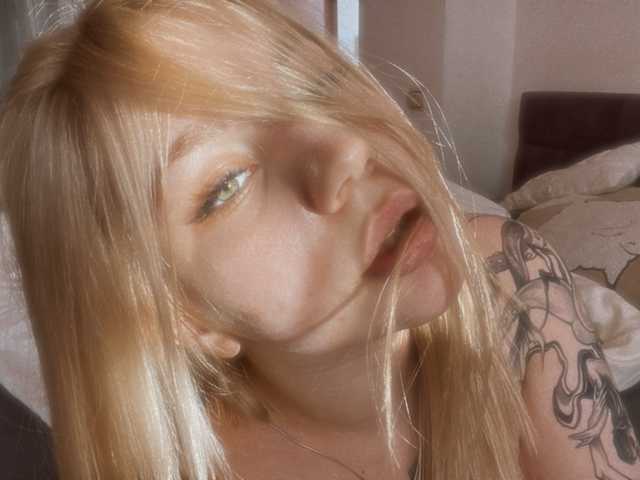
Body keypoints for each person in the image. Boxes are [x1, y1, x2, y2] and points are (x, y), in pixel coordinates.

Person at [0, 1, 638, 479]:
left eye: (319, 88)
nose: (346, 147)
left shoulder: (512, 274)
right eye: (227, 184)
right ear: (182, 316)